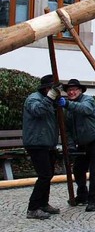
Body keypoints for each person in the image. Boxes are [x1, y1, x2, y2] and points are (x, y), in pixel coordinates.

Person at [60, 78, 95, 212]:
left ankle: (92, 200)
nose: (71, 92)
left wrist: (68, 104)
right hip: (82, 143)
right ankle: (82, 195)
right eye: (69, 90)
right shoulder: (67, 109)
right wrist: (70, 145)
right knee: (78, 170)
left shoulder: (88, 100)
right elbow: (68, 130)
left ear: (80, 91)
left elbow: (85, 110)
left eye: (74, 89)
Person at [23, 74, 61, 220]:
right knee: (44, 175)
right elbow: (37, 111)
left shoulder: (48, 100)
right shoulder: (33, 99)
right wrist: (51, 97)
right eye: (53, 90)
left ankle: (43, 203)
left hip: (47, 143)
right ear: (47, 89)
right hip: (36, 143)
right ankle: (32, 208)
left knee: (48, 175)